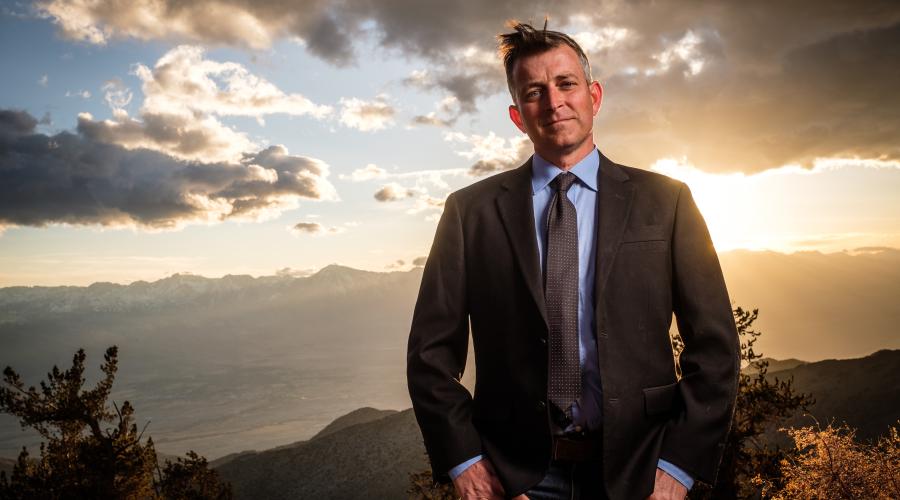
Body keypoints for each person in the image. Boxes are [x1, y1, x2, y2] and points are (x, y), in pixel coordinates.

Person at [407, 21, 740, 500]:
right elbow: (429, 355)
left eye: (566, 84)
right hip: (515, 477)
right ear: (518, 115)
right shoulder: (470, 213)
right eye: (534, 92)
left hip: (639, 471)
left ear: (594, 96)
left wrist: (678, 469)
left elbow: (715, 347)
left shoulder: (666, 203)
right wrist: (466, 464)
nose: (554, 101)